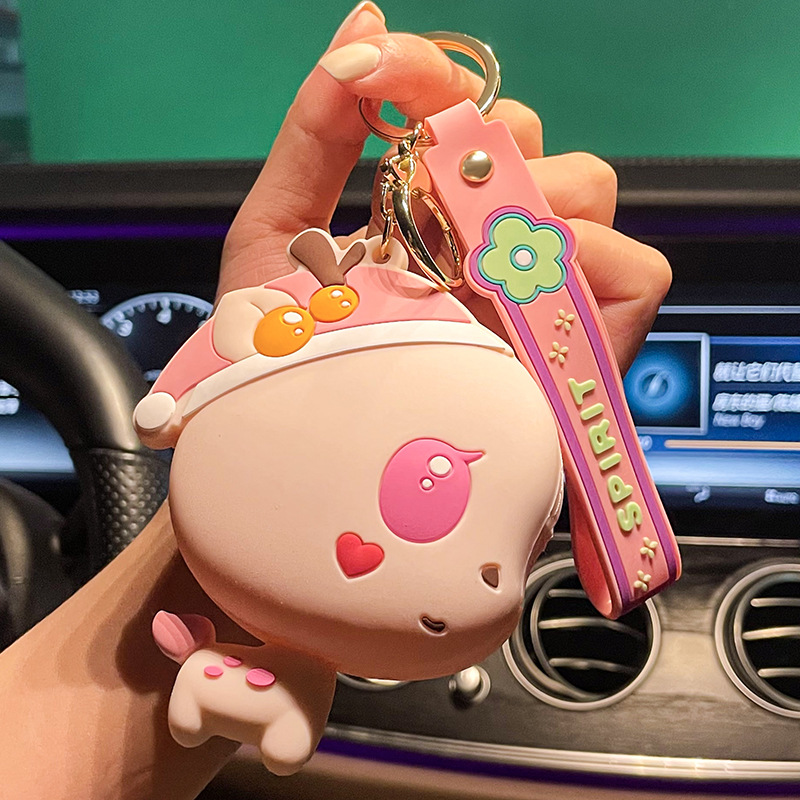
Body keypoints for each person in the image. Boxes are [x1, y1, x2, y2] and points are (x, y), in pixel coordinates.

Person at [0, 4, 671, 798]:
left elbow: (195, 389)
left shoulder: (357, 349)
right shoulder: (279, 332)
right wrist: (172, 409)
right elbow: (200, 380)